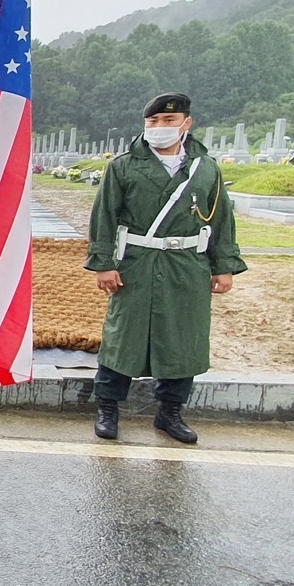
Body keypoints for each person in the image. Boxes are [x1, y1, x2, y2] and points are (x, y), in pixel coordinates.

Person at [85, 93, 246, 444]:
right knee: (122, 338)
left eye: (169, 122)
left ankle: (170, 412)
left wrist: (224, 266)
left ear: (186, 124)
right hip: (137, 263)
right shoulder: (124, 166)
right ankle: (108, 408)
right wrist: (104, 264)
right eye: (153, 122)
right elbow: (104, 217)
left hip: (186, 265)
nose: (160, 128)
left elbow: (221, 220)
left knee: (182, 339)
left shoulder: (206, 168)